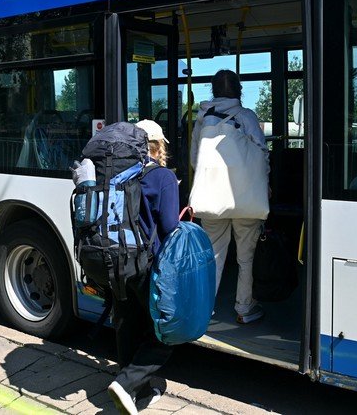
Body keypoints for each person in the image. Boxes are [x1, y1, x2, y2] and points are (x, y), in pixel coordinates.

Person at [107, 119, 180, 415]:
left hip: (115, 259)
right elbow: (170, 226)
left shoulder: (117, 173)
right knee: (166, 333)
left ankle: (136, 391)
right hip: (146, 265)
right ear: (159, 146)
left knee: (127, 323)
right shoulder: (161, 176)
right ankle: (126, 384)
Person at [190, 69, 269, 325]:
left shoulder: (202, 119)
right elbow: (261, 156)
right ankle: (244, 308)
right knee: (245, 256)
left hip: (211, 199)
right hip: (245, 199)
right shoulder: (246, 116)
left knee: (212, 255)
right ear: (239, 90)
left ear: (213, 91)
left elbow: (194, 160)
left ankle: (204, 308)